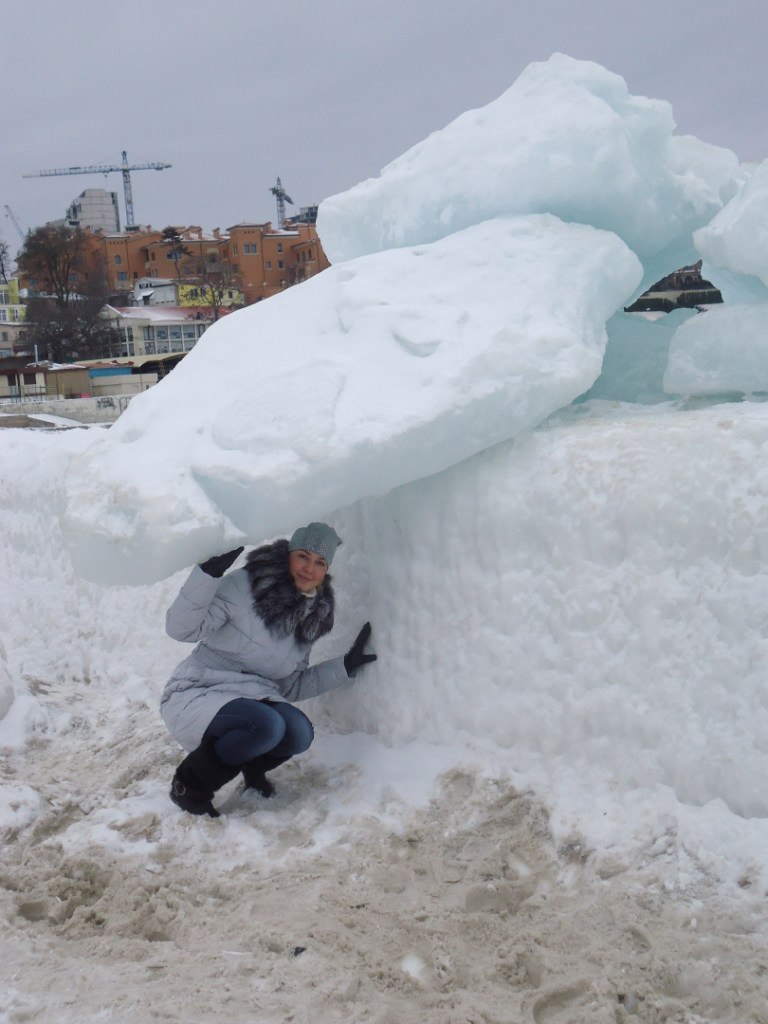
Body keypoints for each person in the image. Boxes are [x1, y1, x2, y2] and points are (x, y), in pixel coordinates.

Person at [160, 522, 376, 817]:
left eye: (320, 562)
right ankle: (189, 785)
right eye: (303, 556)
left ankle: (251, 770)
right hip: (200, 688)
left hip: (255, 698)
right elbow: (180, 629)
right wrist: (207, 576)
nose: (308, 568)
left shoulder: (310, 616)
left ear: (326, 571)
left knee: (299, 733)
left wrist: (343, 667)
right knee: (266, 725)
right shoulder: (244, 586)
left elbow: (289, 685)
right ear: (288, 554)